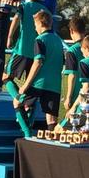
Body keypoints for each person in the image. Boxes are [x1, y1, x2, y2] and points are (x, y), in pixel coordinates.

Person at [12, 9, 64, 137]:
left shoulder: (40, 39)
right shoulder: (58, 41)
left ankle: (27, 134)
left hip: (39, 83)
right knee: (51, 119)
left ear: (40, 24)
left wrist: (25, 85)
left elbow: (38, 62)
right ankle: (52, 145)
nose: (35, 28)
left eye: (35, 24)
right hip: (55, 85)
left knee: (17, 102)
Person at [3, 0, 46, 103]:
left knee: (6, 77)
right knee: (31, 85)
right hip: (37, 54)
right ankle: (26, 106)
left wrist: (10, 36)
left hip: (22, 50)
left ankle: (19, 98)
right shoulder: (46, 11)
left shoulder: (24, 6)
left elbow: (16, 19)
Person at [63, 17, 86, 114]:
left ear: (71, 31)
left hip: (77, 97)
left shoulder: (72, 51)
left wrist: (68, 97)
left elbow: (72, 75)